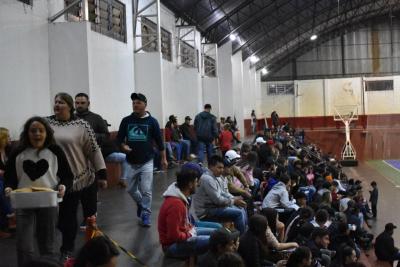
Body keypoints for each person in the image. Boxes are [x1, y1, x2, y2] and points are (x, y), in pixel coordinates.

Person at [4, 117, 73, 267]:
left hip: (48, 201)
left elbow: (68, 176)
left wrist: (63, 186)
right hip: (23, 201)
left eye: (41, 131)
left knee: (48, 244)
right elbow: (9, 177)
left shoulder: (56, 151)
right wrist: (8, 187)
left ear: (47, 133)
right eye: (33, 131)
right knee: (24, 245)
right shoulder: (18, 152)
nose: (37, 134)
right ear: (27, 133)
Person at [47, 93, 108, 259]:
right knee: (64, 219)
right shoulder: (47, 123)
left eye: (61, 102)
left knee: (82, 215)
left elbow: (94, 150)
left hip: (82, 177)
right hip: (59, 179)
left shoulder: (81, 125)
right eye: (55, 102)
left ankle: (69, 249)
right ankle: (68, 246)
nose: (57, 105)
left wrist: (102, 174)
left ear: (69, 106)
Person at [116, 93, 167, 227]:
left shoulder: (152, 122)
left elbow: (160, 142)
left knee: (146, 190)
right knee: (131, 190)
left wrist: (164, 159)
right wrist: (123, 146)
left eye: (138, 102)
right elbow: (119, 139)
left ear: (145, 104)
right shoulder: (126, 120)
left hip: (147, 161)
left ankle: (146, 214)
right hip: (130, 161)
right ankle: (141, 204)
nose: (135, 105)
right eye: (133, 103)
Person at [158, 164, 215, 258]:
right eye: (196, 182)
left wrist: (190, 231)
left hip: (186, 232)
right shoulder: (176, 204)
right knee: (214, 241)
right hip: (171, 246)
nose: (198, 184)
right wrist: (189, 234)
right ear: (190, 184)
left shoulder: (180, 197)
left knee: (218, 234)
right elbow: (173, 236)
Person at [192, 155, 247, 234]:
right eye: (219, 168)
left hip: (214, 206)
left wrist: (234, 199)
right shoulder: (207, 179)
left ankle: (243, 231)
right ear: (211, 167)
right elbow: (218, 200)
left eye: (222, 168)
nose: (222, 170)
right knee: (239, 213)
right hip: (206, 211)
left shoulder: (216, 177)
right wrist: (234, 201)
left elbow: (223, 193)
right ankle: (242, 237)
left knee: (241, 207)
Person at [0, 127, 14, 238]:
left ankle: (11, 218)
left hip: (5, 178)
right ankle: (11, 215)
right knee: (1, 190)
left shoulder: (9, 149)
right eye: (8, 136)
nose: (10, 138)